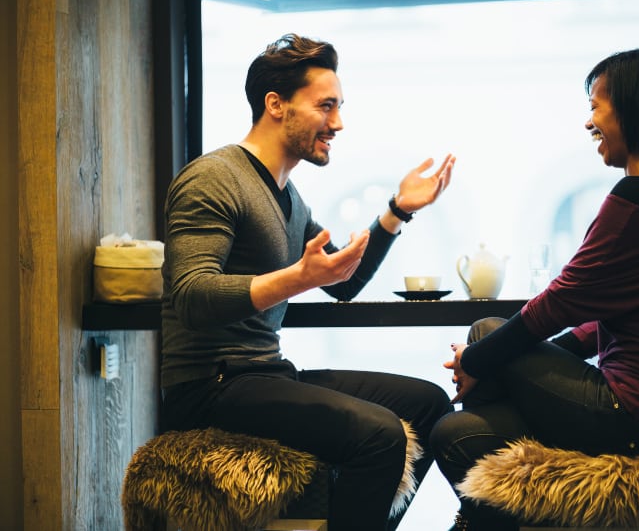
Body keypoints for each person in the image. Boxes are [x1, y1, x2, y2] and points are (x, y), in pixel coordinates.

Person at [159, 33, 456, 531]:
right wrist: (296, 277)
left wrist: (398, 210)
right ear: (276, 105)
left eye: (338, 107)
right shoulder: (213, 178)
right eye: (326, 106)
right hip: (209, 387)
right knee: (381, 434)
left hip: (267, 373)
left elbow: (341, 279)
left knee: (429, 405)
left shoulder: (289, 197)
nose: (337, 123)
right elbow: (191, 297)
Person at [431, 47, 639, 531]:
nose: (590, 123)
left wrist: (477, 364)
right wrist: (515, 366)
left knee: (484, 331)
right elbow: (590, 326)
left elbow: (561, 301)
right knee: (457, 432)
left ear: (632, 107)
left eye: (595, 106)